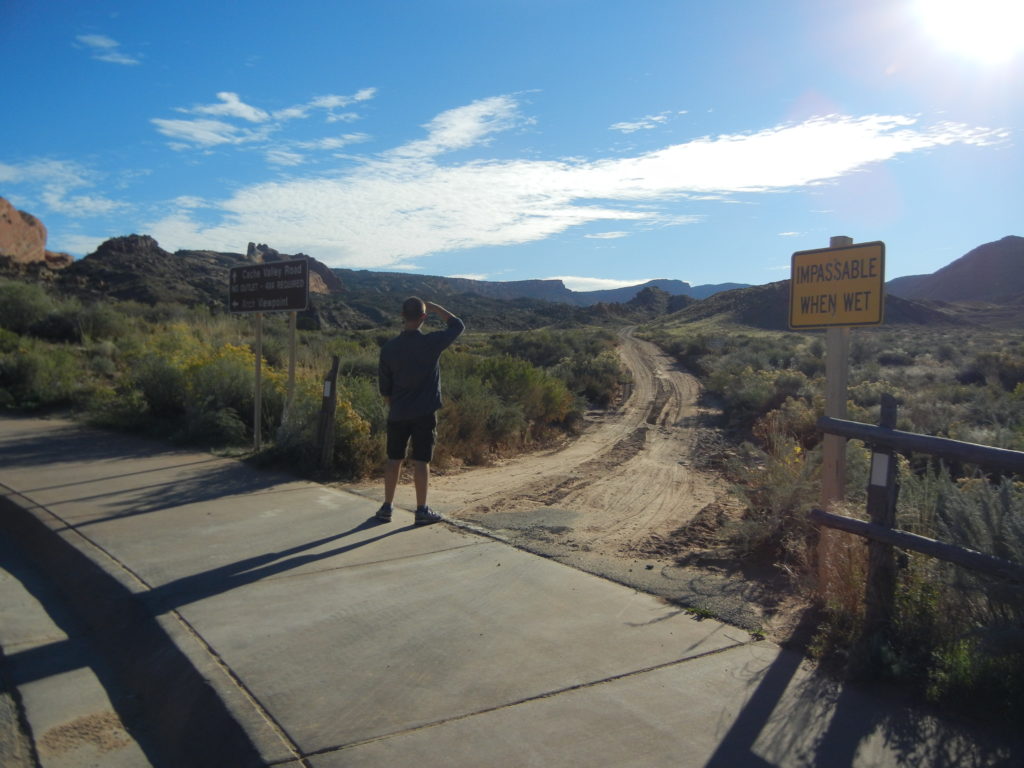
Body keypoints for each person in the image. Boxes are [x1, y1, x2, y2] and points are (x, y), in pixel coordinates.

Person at [375, 297, 465, 525]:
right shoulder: (431, 343)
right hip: (424, 412)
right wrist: (435, 307)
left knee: (394, 459)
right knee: (421, 461)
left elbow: (385, 389)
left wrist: (395, 407)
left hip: (398, 412)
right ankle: (421, 510)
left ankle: (386, 507)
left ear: (402, 316)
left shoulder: (389, 348)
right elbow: (457, 326)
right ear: (423, 317)